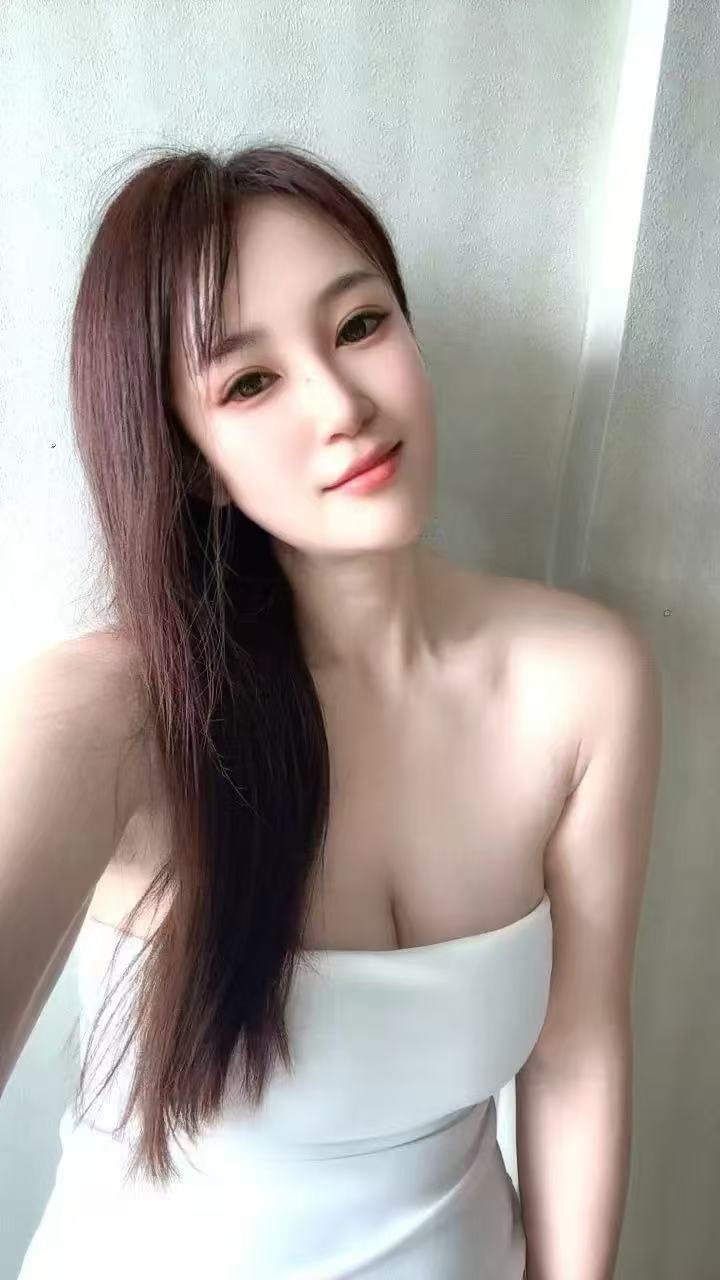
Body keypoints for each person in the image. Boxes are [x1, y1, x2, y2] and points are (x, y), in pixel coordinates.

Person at [1, 143, 661, 1280]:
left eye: (360, 325)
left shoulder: (584, 680)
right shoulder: (113, 714)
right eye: (248, 383)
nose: (344, 405)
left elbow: (576, 1056)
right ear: (191, 459)